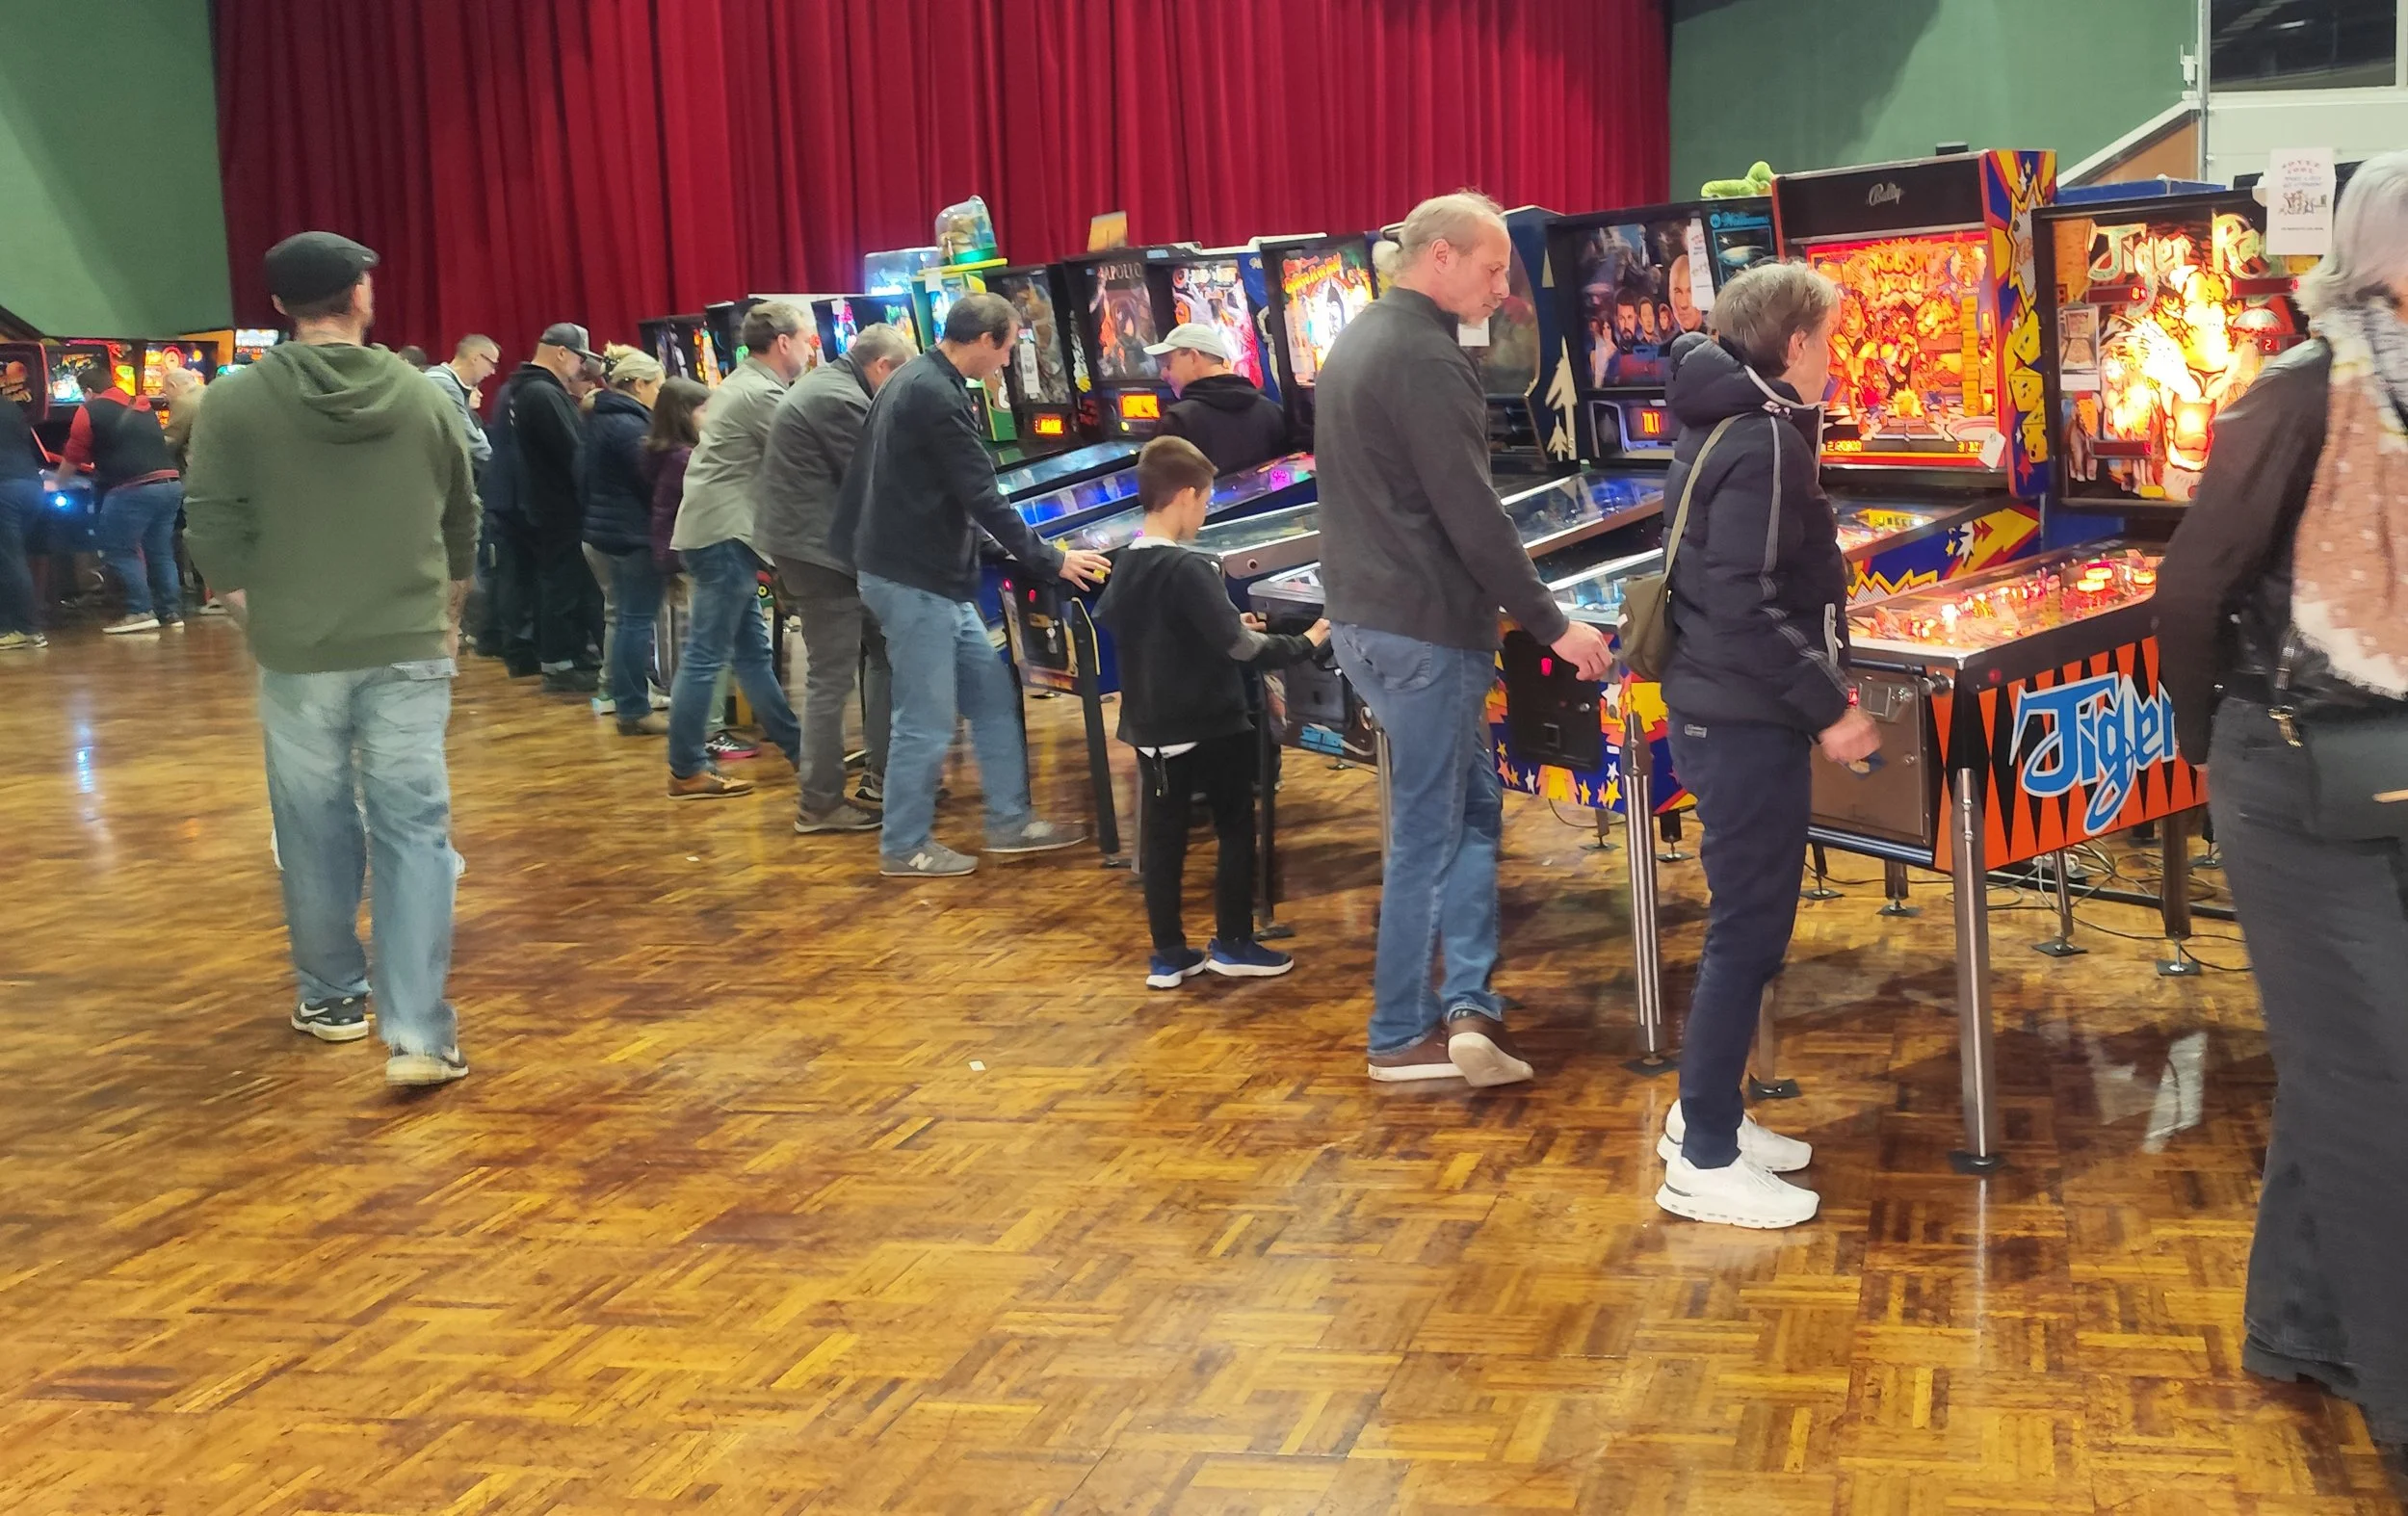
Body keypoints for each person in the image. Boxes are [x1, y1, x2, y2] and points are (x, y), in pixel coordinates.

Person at [2155, 150, 2408, 1451]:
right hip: (2289, 767)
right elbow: (2189, 594)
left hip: (2390, 762)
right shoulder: (2302, 392)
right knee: (2382, 1075)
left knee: (2350, 1060)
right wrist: (2219, 747)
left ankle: (2300, 1327)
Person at [1313, 191, 1612, 1086]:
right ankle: (1400, 1031)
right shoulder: (1426, 357)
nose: (1500, 291)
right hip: (1423, 630)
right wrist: (1555, 625)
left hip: (1374, 619)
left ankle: (1470, 1003)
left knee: (1469, 814)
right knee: (1430, 834)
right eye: (1490, 271)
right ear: (1439, 256)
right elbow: (1474, 517)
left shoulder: (1362, 337)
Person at [182, 230, 479, 1088]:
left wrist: (257, 614)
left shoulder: (233, 404)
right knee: (415, 830)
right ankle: (420, 1033)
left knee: (312, 824)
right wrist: (447, 619)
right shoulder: (424, 398)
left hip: (299, 649)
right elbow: (461, 521)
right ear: (360, 294)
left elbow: (212, 527)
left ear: (277, 305)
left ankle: (333, 997)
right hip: (409, 641)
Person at [1649, 262, 1875, 1230]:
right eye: (1828, 338)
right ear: (1794, 346)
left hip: (1719, 704)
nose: (1836, 357)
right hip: (1741, 713)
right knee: (1748, 928)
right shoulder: (1767, 438)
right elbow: (1743, 602)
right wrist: (1828, 704)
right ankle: (1701, 1151)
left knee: (1749, 924)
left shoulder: (1723, 417)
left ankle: (1708, 1116)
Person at [835, 291, 1111, 876]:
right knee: (927, 718)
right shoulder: (935, 394)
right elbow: (982, 494)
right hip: (914, 579)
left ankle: (1010, 821)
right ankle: (903, 846)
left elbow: (930, 489)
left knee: (990, 696)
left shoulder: (912, 377)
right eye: (1008, 348)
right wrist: (1049, 558)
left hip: (924, 572)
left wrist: (991, 549)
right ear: (985, 340)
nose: (1008, 362)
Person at [1094, 436, 1328, 984]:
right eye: (1204, 501)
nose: (1203, 514)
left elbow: (1159, 630)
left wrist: (1221, 629)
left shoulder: (1125, 563)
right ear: (1184, 496)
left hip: (1149, 726)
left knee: (1163, 838)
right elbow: (1243, 651)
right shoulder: (1191, 567)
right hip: (1208, 722)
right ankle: (1234, 942)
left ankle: (1169, 955)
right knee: (1234, 825)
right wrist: (1310, 640)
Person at [755, 322, 913, 832]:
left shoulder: (830, 384)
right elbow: (878, 481)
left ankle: (885, 777)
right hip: (819, 553)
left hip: (818, 546)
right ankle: (820, 803)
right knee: (829, 679)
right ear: (882, 367)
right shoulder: (841, 399)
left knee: (884, 649)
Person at [664, 301, 812, 799]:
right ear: (785, 342)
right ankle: (685, 768)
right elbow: (806, 459)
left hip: (723, 532)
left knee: (751, 655)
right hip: (723, 534)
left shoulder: (746, 383)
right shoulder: (760, 395)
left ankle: (801, 753)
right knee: (707, 656)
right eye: (808, 338)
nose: (813, 346)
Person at [486, 323, 600, 691]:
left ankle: (564, 657)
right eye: (580, 358)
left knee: (560, 583)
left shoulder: (518, 388)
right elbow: (574, 453)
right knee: (560, 585)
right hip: (558, 507)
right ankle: (559, 662)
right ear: (562, 352)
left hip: (540, 503)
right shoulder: (543, 393)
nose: (582, 368)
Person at [51, 361, 184, 634]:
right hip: (170, 484)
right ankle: (170, 612)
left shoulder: (89, 410)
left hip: (133, 487)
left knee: (118, 548)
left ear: (87, 391)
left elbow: (74, 455)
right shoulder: (141, 404)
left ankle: (140, 610)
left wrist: (56, 484)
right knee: (160, 551)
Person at [581, 349, 668, 735]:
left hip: (603, 532)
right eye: (657, 386)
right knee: (635, 623)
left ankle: (623, 697)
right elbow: (652, 481)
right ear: (638, 384)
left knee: (620, 620)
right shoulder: (631, 426)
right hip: (632, 535)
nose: (660, 394)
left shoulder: (601, 417)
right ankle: (633, 707)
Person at [1149, 323, 1294, 475]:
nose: (1163, 375)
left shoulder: (1176, 423)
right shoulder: (1272, 412)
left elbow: (1163, 494)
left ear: (1193, 357)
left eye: (1167, 364)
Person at [0, 393, 43, 649]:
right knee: (12, 559)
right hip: (31, 485)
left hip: (5, 488)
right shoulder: (11, 408)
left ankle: (24, 629)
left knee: (10, 560)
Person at [424, 334, 498, 478]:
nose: (493, 371)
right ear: (476, 358)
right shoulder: (444, 384)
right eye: (492, 364)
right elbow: (468, 439)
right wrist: (498, 470)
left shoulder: (442, 380)